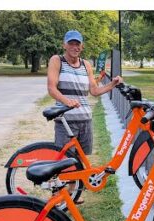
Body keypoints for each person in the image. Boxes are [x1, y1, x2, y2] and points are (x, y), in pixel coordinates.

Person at [46, 29, 122, 178]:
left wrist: (112, 84)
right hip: (66, 121)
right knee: (65, 162)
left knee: (81, 160)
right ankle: (63, 190)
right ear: (64, 45)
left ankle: (76, 190)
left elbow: (94, 90)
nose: (75, 47)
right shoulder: (57, 60)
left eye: (78, 44)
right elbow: (51, 88)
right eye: (71, 43)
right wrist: (67, 101)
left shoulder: (85, 65)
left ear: (82, 46)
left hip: (85, 119)